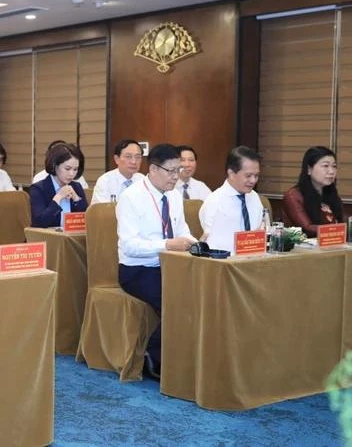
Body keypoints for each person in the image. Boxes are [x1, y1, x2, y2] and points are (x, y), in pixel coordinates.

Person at [117, 143, 196, 379]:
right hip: (137, 269)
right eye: (171, 171)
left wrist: (195, 243)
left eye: (178, 170)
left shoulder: (174, 194)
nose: (176, 176)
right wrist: (167, 245)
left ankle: (187, 355)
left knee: (205, 291)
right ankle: (153, 356)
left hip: (171, 264)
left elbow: (182, 229)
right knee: (180, 299)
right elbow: (130, 245)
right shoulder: (131, 197)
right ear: (152, 169)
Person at [199, 146, 264, 253]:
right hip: (225, 263)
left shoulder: (254, 198)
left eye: (256, 176)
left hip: (254, 260)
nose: (253, 181)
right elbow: (212, 243)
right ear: (231, 173)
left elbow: (260, 232)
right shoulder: (215, 201)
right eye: (248, 176)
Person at [282, 146, 343, 237]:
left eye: (334, 166)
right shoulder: (293, 196)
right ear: (309, 169)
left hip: (332, 246)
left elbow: (340, 222)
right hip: (303, 249)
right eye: (325, 166)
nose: (331, 171)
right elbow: (307, 229)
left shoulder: (330, 194)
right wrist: (338, 231)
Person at [30, 144, 87, 228]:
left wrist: (76, 199)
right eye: (67, 169)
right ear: (54, 165)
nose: (72, 174)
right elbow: (40, 222)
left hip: (71, 239)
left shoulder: (76, 187)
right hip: (48, 238)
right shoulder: (38, 189)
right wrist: (58, 197)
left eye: (75, 169)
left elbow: (86, 221)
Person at [91, 139, 145, 204]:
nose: (134, 161)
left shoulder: (143, 180)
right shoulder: (105, 181)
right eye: (128, 156)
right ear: (117, 159)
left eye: (138, 157)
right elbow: (100, 211)